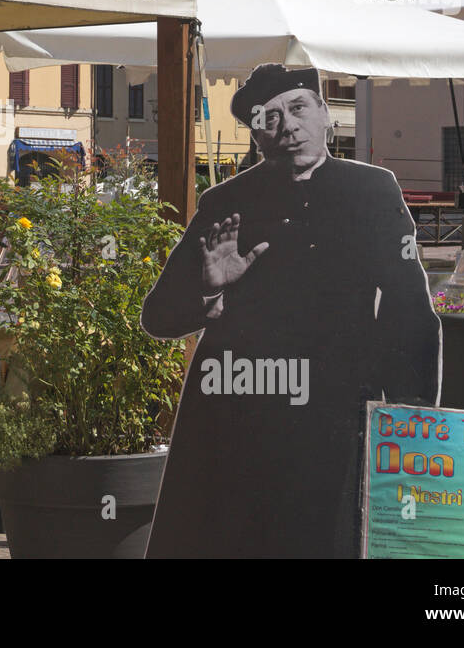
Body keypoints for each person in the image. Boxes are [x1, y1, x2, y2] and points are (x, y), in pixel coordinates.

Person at [141, 64, 440, 558]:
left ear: (325, 114)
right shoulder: (225, 201)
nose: (288, 125)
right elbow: (158, 317)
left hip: (336, 412)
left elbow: (409, 310)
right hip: (234, 411)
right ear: (258, 136)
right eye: (269, 118)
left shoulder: (373, 190)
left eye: (299, 108)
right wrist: (208, 289)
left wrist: (414, 421)